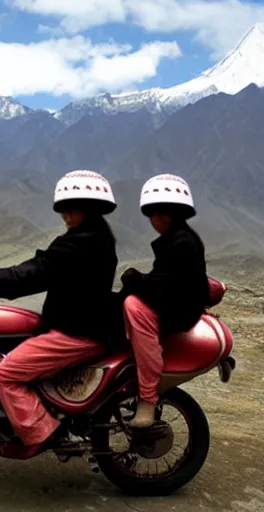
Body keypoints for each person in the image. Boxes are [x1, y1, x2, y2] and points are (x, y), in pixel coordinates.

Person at [0, 169, 118, 452]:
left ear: (88, 208)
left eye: (70, 207)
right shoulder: (95, 237)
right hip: (81, 325)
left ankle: (41, 435)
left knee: (6, 373)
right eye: (62, 208)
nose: (64, 214)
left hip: (77, 332)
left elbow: (37, 272)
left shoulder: (82, 242)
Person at [120, 174, 209, 428]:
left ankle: (147, 400)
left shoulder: (182, 243)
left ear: (169, 214)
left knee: (134, 307)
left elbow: (166, 288)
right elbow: (163, 279)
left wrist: (135, 282)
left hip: (178, 309)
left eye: (156, 213)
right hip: (177, 303)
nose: (153, 220)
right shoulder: (178, 238)